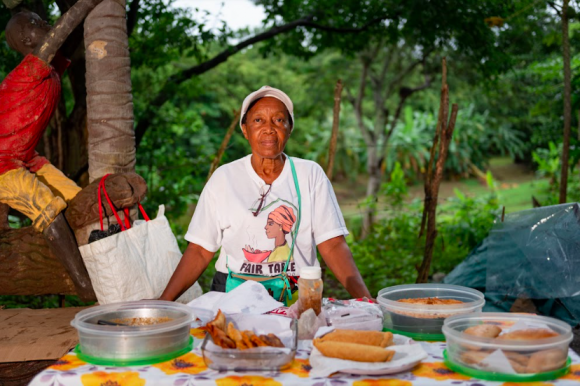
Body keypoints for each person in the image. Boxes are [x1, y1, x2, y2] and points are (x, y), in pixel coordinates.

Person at [160, 86, 372, 301]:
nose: (269, 128)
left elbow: (333, 244)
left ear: (290, 128)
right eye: (258, 120)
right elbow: (199, 250)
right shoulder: (224, 178)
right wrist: (162, 303)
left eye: (279, 120)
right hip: (232, 292)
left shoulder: (310, 174)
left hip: (294, 292)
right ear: (245, 129)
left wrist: (366, 300)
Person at [0, 2, 103, 300]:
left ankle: (100, 256)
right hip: (4, 164)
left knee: (75, 197)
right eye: (34, 21)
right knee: (48, 207)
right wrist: (85, 3)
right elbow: (57, 35)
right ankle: (84, 285)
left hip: (26, 158)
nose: (43, 20)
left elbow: (64, 42)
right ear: (26, 39)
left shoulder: (51, 68)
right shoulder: (30, 68)